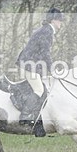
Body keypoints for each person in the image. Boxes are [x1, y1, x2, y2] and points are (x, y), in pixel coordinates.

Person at [15, 7, 64, 136]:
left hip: (30, 64)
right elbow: (45, 53)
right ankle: (25, 116)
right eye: (59, 20)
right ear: (53, 20)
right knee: (39, 90)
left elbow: (41, 53)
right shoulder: (47, 31)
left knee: (43, 91)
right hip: (29, 65)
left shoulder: (46, 30)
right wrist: (52, 70)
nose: (61, 23)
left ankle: (38, 125)